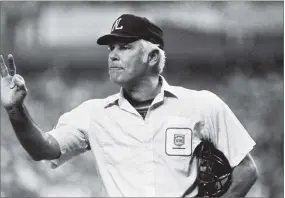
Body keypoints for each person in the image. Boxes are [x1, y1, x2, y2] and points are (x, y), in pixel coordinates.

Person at [1, 14, 258, 197]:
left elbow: (246, 169)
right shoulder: (93, 114)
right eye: (111, 48)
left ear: (152, 56)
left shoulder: (203, 105)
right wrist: (15, 110)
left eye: (125, 47)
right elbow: (43, 149)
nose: (113, 54)